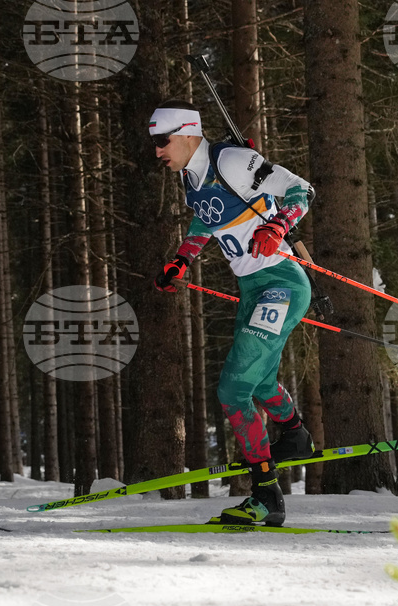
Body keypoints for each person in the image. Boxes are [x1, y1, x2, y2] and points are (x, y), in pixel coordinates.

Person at [149, 100, 315, 527]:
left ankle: (267, 498)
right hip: (252, 289)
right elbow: (207, 221)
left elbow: (302, 190)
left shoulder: (233, 161)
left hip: (281, 283)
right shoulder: (190, 178)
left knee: (232, 390)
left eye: (162, 142)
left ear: (187, 135)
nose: (157, 151)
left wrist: (278, 226)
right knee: (258, 382)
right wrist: (182, 259)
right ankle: (294, 435)